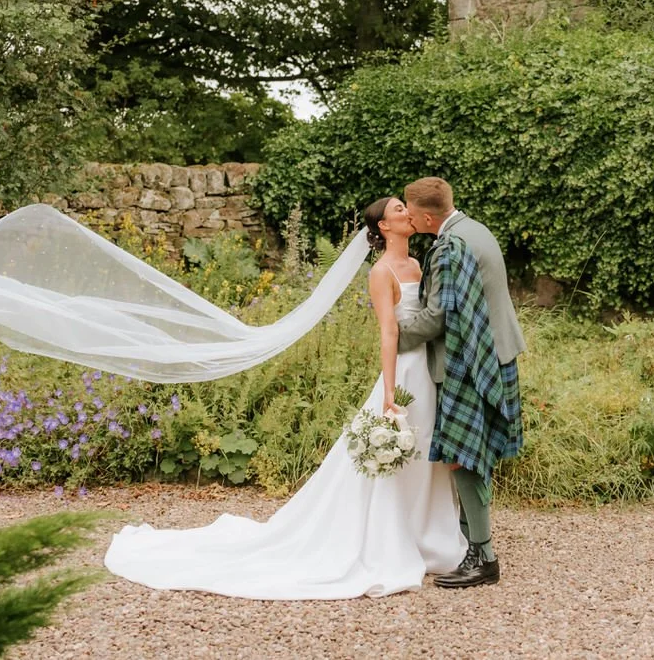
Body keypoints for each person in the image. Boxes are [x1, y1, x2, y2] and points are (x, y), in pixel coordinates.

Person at [101, 197, 465, 597]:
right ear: (383, 227)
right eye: (398, 209)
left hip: (430, 370)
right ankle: (389, 539)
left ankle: (426, 534)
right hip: (405, 372)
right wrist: (389, 390)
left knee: (425, 450)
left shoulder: (419, 263)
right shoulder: (381, 273)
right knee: (396, 456)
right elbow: (388, 332)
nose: (406, 213)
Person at [397, 175, 525, 588]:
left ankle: (483, 558)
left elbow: (439, 317)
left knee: (463, 454)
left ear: (428, 215)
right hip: (495, 352)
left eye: (412, 213)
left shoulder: (449, 248)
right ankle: (473, 544)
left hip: (470, 359)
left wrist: (391, 336)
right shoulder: (475, 229)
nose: (409, 219)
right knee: (474, 450)